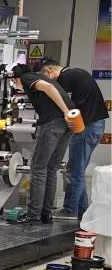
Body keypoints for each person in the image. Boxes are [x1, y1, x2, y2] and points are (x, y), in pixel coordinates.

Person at [39, 58, 109, 218]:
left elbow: (66, 107)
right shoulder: (76, 73)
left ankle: (69, 209)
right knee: (78, 170)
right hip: (96, 125)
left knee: (74, 171)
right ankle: (83, 210)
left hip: (86, 127)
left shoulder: (65, 79)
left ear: (48, 71)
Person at [10, 63, 73, 223]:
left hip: (52, 123)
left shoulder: (27, 78)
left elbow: (48, 88)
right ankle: (46, 213)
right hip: (66, 125)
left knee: (38, 168)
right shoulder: (43, 77)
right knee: (51, 169)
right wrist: (66, 113)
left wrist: (65, 111)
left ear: (16, 78)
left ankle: (33, 214)